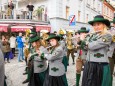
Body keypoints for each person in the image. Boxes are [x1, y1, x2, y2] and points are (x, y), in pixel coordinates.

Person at [82, 15, 112, 86]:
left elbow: (93, 46)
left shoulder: (107, 35)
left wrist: (84, 40)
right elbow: (84, 48)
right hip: (89, 64)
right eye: (94, 25)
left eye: (98, 24)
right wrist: (81, 41)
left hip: (99, 66)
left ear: (104, 25)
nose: (96, 27)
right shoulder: (92, 35)